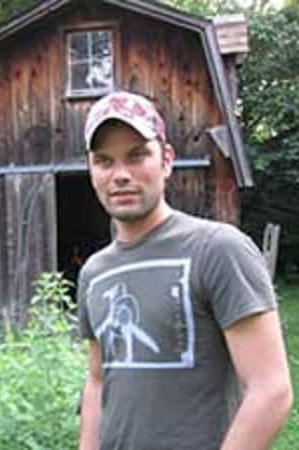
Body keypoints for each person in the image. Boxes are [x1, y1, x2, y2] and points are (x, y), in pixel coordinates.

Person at [77, 91, 293, 450]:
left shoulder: (218, 250)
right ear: (91, 170)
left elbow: (271, 389)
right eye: (104, 161)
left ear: (165, 161)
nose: (121, 175)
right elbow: (98, 382)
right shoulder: (94, 272)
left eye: (137, 156)